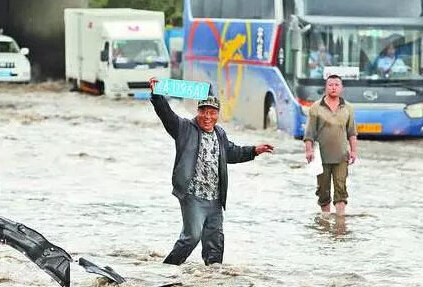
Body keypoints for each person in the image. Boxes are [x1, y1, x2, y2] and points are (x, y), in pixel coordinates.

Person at [149, 78, 274, 265]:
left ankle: (212, 278)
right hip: (192, 196)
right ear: (198, 112)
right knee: (192, 237)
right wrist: (157, 95)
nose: (207, 117)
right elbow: (166, 114)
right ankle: (167, 269)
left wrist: (254, 150)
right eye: (204, 112)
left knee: (215, 241)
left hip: (215, 198)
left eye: (212, 113)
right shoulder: (184, 128)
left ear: (217, 115)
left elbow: (231, 153)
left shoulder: (220, 134)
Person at [303, 75, 357, 217]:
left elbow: (352, 132)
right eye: (330, 85)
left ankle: (340, 222)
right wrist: (308, 150)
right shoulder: (316, 107)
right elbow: (309, 132)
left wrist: (354, 151)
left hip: (341, 156)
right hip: (321, 156)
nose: (333, 87)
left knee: (341, 188)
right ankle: (325, 220)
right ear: (326, 87)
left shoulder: (348, 108)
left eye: (336, 85)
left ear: (341, 88)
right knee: (323, 190)